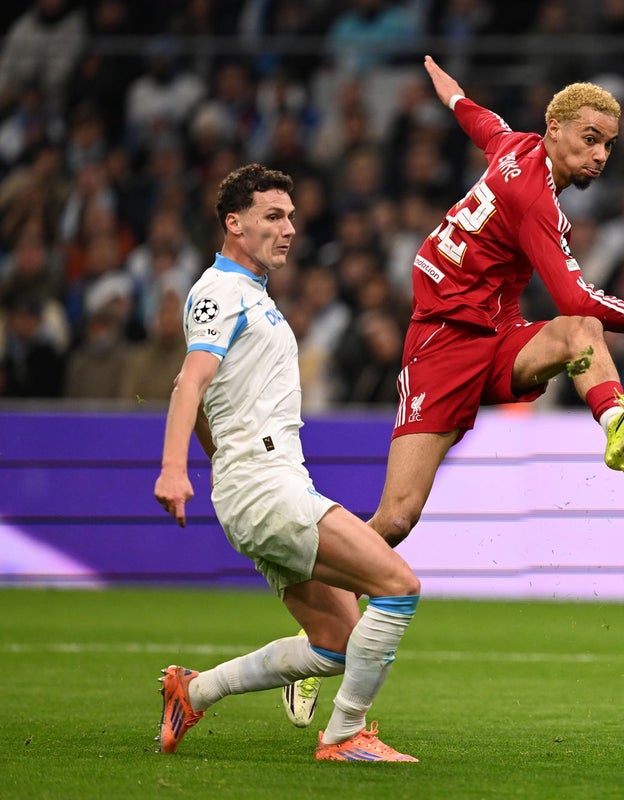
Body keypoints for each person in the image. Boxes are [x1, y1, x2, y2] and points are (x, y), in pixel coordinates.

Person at [285, 55, 624, 717]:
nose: (600, 155)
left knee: (578, 333)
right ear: (555, 129)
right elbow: (572, 292)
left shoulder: (515, 146)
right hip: (442, 347)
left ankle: (615, 422)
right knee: (396, 518)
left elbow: (482, 122)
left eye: (609, 145)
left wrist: (451, 93)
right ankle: (320, 624)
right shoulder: (534, 197)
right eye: (590, 139)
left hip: (495, 336)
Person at [152, 163, 422, 762]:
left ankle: (193, 691)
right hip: (266, 486)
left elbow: (196, 391)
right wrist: (175, 469)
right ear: (235, 223)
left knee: (336, 643)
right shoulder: (220, 292)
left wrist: (222, 464)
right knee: (399, 587)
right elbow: (188, 383)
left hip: (259, 483)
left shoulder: (252, 296)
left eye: (291, 217)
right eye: (273, 216)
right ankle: (345, 736)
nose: (289, 228)